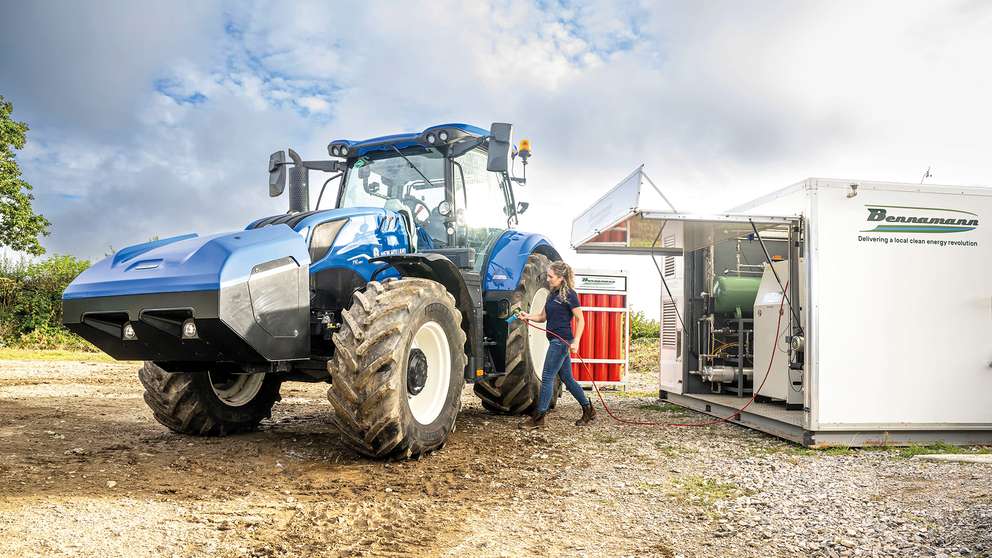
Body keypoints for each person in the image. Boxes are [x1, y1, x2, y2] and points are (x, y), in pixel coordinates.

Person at [518, 260, 596, 429]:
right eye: (548, 275)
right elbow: (542, 317)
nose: (548, 279)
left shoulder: (570, 295)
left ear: (561, 277)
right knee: (568, 378)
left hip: (561, 342)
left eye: (551, 276)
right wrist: (527, 316)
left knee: (547, 377)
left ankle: (539, 418)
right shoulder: (551, 295)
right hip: (554, 340)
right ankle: (588, 409)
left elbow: (581, 320)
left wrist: (576, 341)